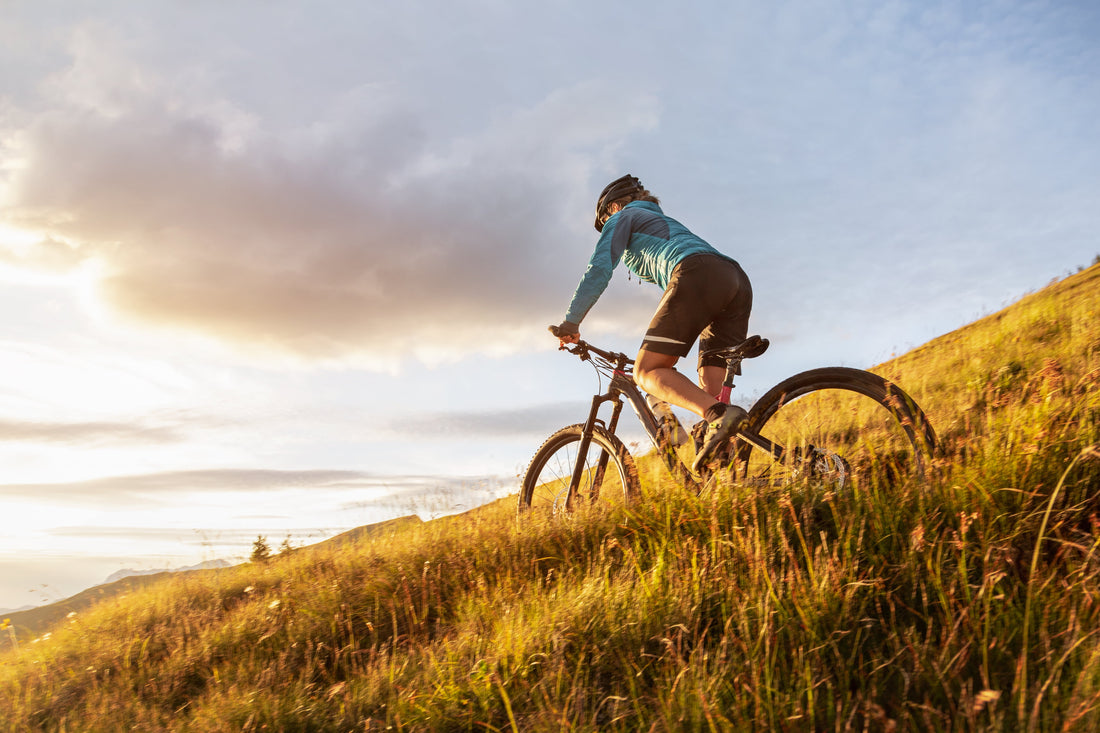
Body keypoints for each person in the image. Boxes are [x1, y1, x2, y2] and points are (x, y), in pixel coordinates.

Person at [550, 174, 753, 473]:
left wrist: (571, 322)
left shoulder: (625, 216)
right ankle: (732, 480)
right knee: (713, 406)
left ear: (615, 206)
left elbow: (600, 267)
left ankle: (717, 417)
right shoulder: (661, 220)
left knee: (647, 371)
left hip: (696, 272)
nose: (607, 223)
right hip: (734, 279)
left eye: (606, 216)